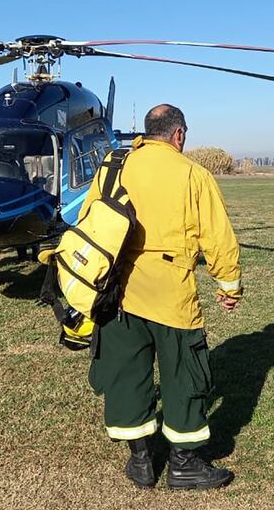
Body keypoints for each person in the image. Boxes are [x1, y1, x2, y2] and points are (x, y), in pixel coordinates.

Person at [81, 104, 243, 490]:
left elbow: (88, 221)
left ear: (146, 131)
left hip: (117, 292)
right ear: (179, 135)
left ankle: (140, 461)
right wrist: (229, 284)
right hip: (172, 293)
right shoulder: (193, 174)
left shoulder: (114, 165)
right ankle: (184, 465)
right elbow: (217, 236)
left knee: (125, 376)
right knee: (183, 375)